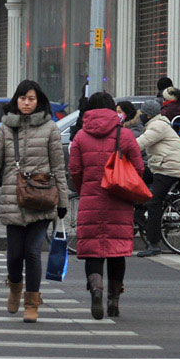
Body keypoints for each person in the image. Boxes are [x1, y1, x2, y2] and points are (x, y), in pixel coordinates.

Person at [0, 80, 70, 324]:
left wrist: (63, 201)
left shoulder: (50, 128)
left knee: (33, 252)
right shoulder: (6, 129)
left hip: (42, 199)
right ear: (16, 100)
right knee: (15, 254)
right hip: (13, 199)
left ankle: (31, 301)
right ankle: (15, 286)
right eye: (23, 98)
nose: (26, 103)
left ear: (39, 102)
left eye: (31, 99)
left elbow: (59, 167)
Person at [68, 92, 144, 319]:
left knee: (93, 250)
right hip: (119, 200)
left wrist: (85, 189)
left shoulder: (80, 136)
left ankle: (96, 290)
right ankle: (113, 300)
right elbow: (139, 168)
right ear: (112, 109)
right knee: (116, 250)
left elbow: (74, 170)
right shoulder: (125, 135)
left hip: (91, 198)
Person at [134, 99, 180, 257]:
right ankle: (139, 211)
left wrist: (121, 148)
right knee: (136, 178)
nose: (140, 116)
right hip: (160, 165)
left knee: (154, 203)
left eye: (142, 114)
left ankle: (154, 244)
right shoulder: (155, 124)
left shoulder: (158, 126)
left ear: (148, 115)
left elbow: (139, 144)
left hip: (168, 168)